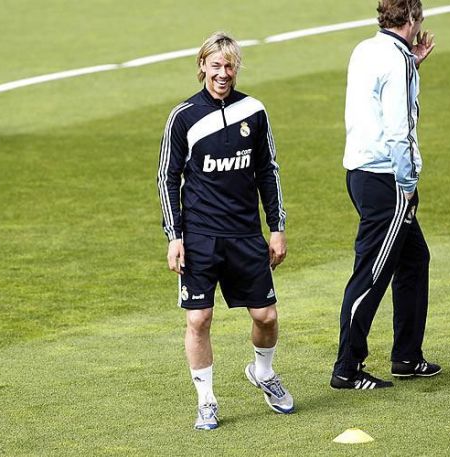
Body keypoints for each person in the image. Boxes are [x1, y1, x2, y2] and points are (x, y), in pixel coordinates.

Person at [157, 31, 293, 430]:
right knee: (198, 320)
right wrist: (175, 236)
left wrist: (277, 228)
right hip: (200, 236)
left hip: (245, 234)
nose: (223, 73)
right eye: (215, 65)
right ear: (202, 66)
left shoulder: (254, 111)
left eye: (229, 66)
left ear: (236, 69)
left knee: (266, 316)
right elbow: (167, 177)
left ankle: (263, 372)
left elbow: (268, 171)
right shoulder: (183, 116)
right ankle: (206, 400)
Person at [331, 0, 440, 390]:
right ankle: (347, 368)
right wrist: (408, 186)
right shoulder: (398, 61)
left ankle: (407, 357)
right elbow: (399, 130)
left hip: (360, 173)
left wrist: (413, 65)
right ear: (410, 17)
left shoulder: (367, 49)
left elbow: (374, 100)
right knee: (371, 274)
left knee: (414, 259)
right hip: (387, 180)